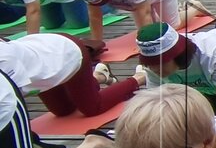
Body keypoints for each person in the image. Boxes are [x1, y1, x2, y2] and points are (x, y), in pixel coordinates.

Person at [0, 30, 143, 119]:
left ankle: (138, 78)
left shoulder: (5, 60)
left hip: (67, 52)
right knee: (63, 111)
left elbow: (13, 108)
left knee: (93, 108)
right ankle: (99, 76)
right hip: (45, 62)